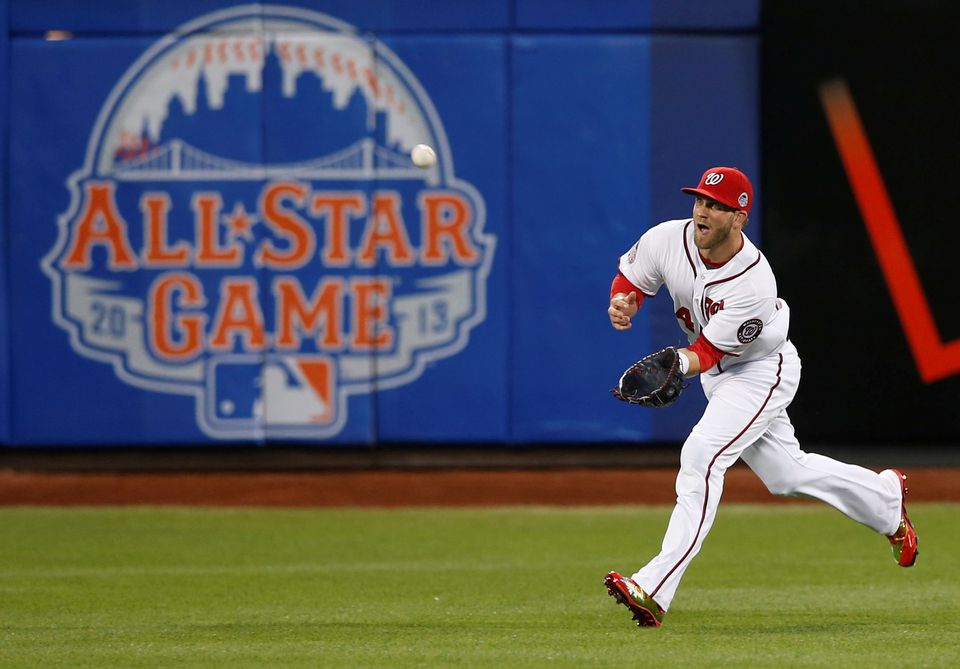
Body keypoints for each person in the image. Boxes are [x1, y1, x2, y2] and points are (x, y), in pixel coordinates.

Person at [602, 166, 918, 628]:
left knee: (702, 455)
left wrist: (674, 363)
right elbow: (631, 279)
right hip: (719, 375)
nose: (702, 212)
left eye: (716, 206)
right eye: (700, 201)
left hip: (759, 371)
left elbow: (706, 352)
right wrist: (624, 301)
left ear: (739, 217)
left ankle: (653, 587)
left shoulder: (753, 280)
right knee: (786, 475)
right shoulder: (668, 238)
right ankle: (886, 499)